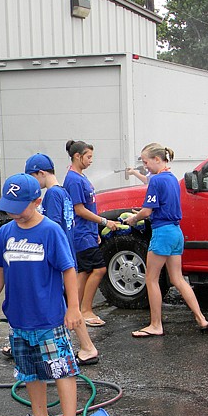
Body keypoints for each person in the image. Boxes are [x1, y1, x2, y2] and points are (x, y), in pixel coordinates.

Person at [0, 173, 82, 416]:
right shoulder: (5, 233)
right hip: (19, 319)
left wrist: (73, 307)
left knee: (61, 370)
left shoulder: (50, 231)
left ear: (37, 201)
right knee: (29, 371)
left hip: (49, 319)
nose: (13, 214)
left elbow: (69, 270)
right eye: (9, 207)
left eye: (19, 208)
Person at [123, 143, 208, 337]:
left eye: (146, 162)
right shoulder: (172, 178)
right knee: (178, 279)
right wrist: (146, 213)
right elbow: (160, 207)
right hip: (176, 232)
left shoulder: (156, 181)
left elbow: (147, 211)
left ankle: (156, 325)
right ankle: (201, 318)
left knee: (151, 279)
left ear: (156, 159)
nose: (145, 166)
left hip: (162, 233)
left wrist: (133, 219)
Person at [24, 153, 99, 366]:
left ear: (41, 173)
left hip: (57, 260)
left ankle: (87, 347)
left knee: (63, 303)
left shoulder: (52, 196)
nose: (32, 183)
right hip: (67, 255)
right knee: (66, 303)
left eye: (32, 177)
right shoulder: (64, 192)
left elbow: (51, 228)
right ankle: (85, 347)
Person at [63, 140, 118, 328]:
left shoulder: (81, 177)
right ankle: (84, 310)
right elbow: (79, 209)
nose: (91, 160)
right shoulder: (74, 180)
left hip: (88, 232)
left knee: (86, 270)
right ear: (77, 156)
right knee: (97, 269)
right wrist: (104, 222)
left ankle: (77, 309)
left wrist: (95, 231)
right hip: (80, 233)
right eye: (88, 157)